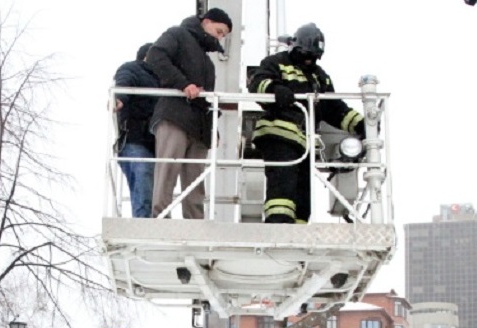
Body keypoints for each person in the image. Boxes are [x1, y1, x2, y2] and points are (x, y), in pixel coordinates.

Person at [248, 23, 366, 224]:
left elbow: (333, 107)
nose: (310, 60)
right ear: (295, 47)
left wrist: (361, 124)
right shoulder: (275, 62)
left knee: (302, 196)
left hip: (304, 143)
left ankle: (298, 231)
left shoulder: (319, 76)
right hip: (278, 135)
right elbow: (257, 83)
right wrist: (276, 89)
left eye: (314, 56)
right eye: (306, 54)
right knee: (282, 188)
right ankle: (279, 227)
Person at [145, 8, 233, 219]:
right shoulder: (178, 35)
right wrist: (183, 84)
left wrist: (214, 129)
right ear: (207, 22)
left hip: (199, 125)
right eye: (219, 31)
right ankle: (161, 215)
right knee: (168, 167)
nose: (219, 37)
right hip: (175, 114)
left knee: (195, 176)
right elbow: (156, 56)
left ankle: (194, 220)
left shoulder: (209, 64)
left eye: (223, 35)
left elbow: (210, 99)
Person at [113, 42, 159, 218]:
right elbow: (124, 81)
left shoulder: (165, 78)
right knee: (143, 175)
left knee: (152, 183)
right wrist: (119, 98)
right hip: (135, 138)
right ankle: (143, 222)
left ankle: (154, 220)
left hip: (155, 142)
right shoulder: (132, 68)